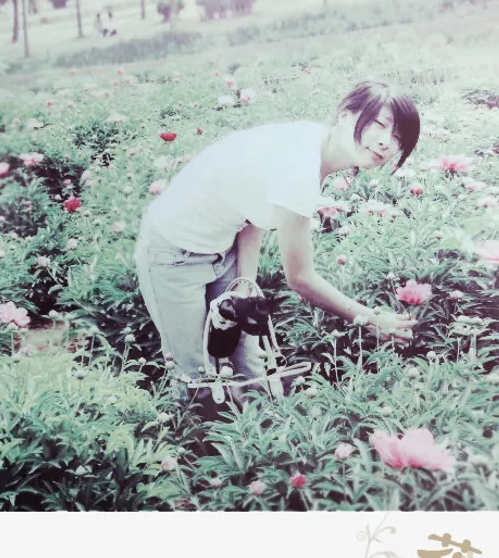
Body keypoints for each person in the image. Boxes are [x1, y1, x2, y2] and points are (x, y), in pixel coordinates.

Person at [134, 80, 421, 409]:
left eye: (398, 138)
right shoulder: (300, 165)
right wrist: (371, 320)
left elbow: (253, 208)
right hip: (172, 253)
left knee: (250, 367)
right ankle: (195, 439)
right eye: (379, 125)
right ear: (346, 114)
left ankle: (266, 434)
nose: (386, 142)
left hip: (225, 248)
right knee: (198, 377)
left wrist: (245, 283)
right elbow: (300, 278)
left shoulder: (316, 142)